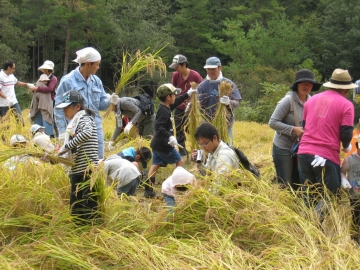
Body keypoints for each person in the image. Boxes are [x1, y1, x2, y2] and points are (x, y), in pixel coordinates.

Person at [297, 68, 356, 219]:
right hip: (326, 156)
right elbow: (345, 133)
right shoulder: (346, 105)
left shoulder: (311, 100)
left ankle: (305, 230)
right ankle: (313, 222)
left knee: (310, 194)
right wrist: (347, 144)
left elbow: (304, 126)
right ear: (346, 90)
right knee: (330, 197)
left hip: (303, 153)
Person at [269, 69, 322, 190]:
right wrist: (293, 129)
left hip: (302, 148)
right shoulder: (287, 101)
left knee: (298, 181)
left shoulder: (312, 101)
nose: (306, 86)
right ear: (297, 84)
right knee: (285, 182)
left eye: (309, 83)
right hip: (284, 147)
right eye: (303, 83)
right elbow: (272, 122)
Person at [54, 47, 110, 159]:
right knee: (78, 162)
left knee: (98, 160)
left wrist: (110, 101)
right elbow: (59, 107)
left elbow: (101, 105)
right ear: (88, 64)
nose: (98, 68)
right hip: (75, 129)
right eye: (97, 64)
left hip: (95, 127)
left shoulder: (96, 81)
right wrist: (62, 131)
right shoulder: (68, 81)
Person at [146, 83, 197, 198]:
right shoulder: (164, 111)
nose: (175, 96)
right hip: (164, 146)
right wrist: (169, 136)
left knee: (155, 166)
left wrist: (187, 94)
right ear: (168, 97)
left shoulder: (166, 107)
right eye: (174, 94)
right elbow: (159, 127)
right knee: (180, 162)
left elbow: (177, 102)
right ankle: (178, 185)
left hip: (157, 145)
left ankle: (148, 191)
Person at [56, 90, 100, 223]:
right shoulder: (74, 124)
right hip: (76, 170)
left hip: (88, 170)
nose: (64, 111)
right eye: (63, 108)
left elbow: (86, 133)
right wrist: (53, 157)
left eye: (67, 107)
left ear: (77, 107)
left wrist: (66, 147)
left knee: (89, 206)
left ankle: (92, 233)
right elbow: (67, 149)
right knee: (76, 206)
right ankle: (79, 232)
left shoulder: (84, 119)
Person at [197, 57, 242, 145]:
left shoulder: (228, 84)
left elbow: (237, 101)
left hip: (225, 122)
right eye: (208, 69)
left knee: (227, 146)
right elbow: (199, 104)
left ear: (220, 68)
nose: (210, 72)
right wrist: (195, 105)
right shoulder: (202, 86)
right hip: (208, 122)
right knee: (209, 146)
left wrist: (229, 102)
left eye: (213, 69)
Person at [169, 54, 203, 156]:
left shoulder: (195, 75)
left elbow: (202, 89)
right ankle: (182, 151)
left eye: (177, 66)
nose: (176, 69)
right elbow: (173, 90)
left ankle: (198, 148)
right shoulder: (175, 75)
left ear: (184, 65)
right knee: (179, 128)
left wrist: (195, 101)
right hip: (179, 106)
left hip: (192, 108)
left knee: (191, 128)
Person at [29, 60, 58, 137]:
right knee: (38, 116)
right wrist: (34, 89)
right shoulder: (42, 77)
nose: (44, 71)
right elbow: (38, 87)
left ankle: (49, 135)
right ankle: (37, 133)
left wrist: (36, 89)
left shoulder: (53, 78)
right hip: (38, 101)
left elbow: (50, 89)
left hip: (49, 101)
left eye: (46, 69)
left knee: (47, 117)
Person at [340, 139, 360, 242]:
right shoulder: (349, 160)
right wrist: (343, 179)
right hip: (355, 196)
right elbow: (342, 171)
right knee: (356, 219)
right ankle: (355, 240)